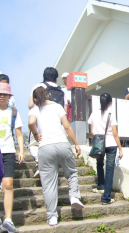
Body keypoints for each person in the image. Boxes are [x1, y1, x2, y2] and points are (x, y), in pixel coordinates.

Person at [28, 87, 84, 226]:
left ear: (35, 99)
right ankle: (74, 196)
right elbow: (67, 126)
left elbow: (30, 123)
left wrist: (36, 134)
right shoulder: (58, 106)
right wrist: (76, 143)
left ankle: (52, 216)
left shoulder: (35, 109)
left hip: (45, 147)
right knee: (71, 172)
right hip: (62, 144)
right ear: (48, 95)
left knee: (49, 184)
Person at [0, 83, 24, 233]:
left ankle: (8, 219)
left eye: (5, 94)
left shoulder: (13, 113)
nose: (2, 96)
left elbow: (19, 133)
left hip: (8, 152)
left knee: (8, 184)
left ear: (9, 97)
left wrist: (21, 150)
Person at [27, 67, 68, 178]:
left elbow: (30, 105)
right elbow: (64, 110)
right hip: (57, 124)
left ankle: (40, 164)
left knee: (33, 145)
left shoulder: (38, 87)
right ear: (56, 78)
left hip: (40, 122)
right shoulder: (62, 90)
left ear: (44, 76)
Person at [87, 93, 123, 204]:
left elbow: (92, 131)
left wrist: (96, 137)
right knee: (110, 170)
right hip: (111, 144)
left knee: (99, 164)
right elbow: (115, 134)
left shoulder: (94, 114)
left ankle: (100, 186)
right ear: (110, 103)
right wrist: (121, 148)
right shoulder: (111, 115)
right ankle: (106, 197)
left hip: (99, 143)